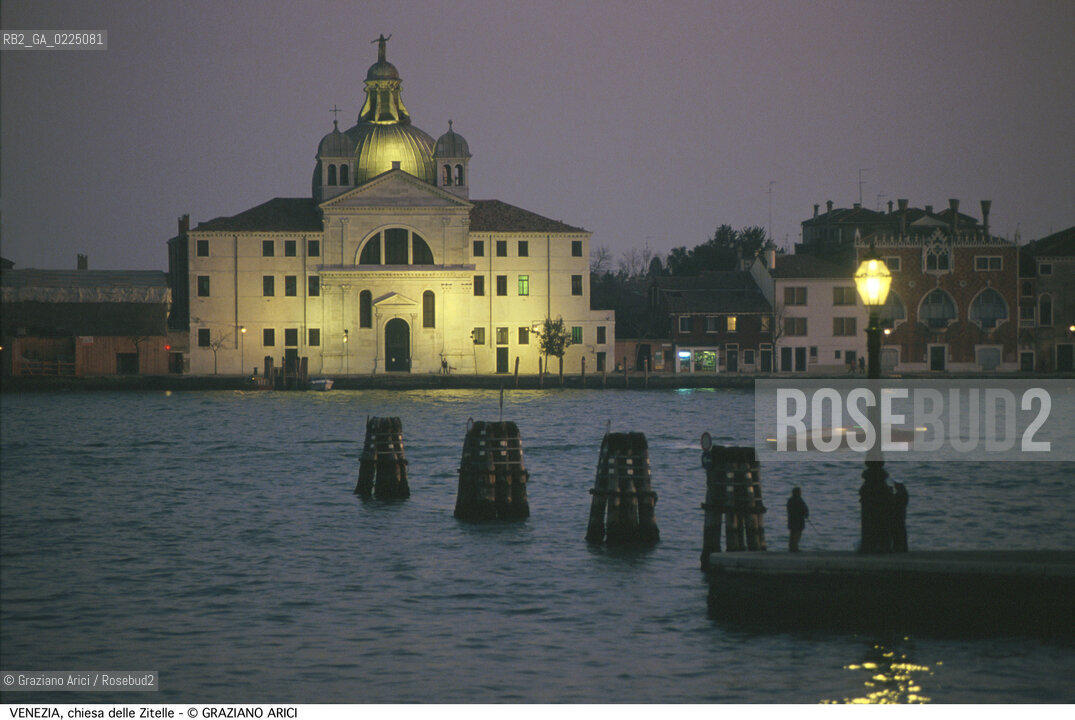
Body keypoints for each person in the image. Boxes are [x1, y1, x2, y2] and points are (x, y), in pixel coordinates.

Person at [787, 486, 809, 552]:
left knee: (793, 534)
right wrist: (805, 514)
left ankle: (792, 547)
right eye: (799, 492)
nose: (800, 493)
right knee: (796, 534)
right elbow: (803, 509)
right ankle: (794, 548)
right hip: (798, 520)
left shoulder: (791, 500)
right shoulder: (798, 500)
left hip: (792, 520)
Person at [891, 482, 909, 552]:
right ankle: (902, 547)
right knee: (900, 530)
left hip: (897, 515)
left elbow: (894, 503)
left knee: (897, 531)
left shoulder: (900, 495)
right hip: (900, 515)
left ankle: (898, 547)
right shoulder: (903, 494)